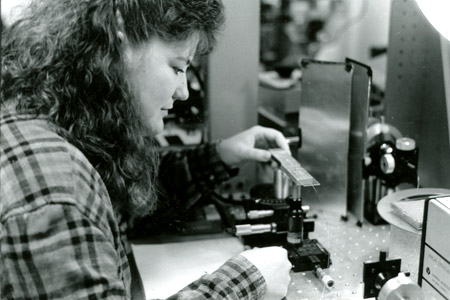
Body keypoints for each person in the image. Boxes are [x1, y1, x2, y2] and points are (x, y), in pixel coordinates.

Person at [0, 0, 292, 299]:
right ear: (119, 39)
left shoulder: (50, 121)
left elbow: (127, 204)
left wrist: (219, 155)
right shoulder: (56, 189)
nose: (184, 91)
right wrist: (246, 281)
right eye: (177, 67)